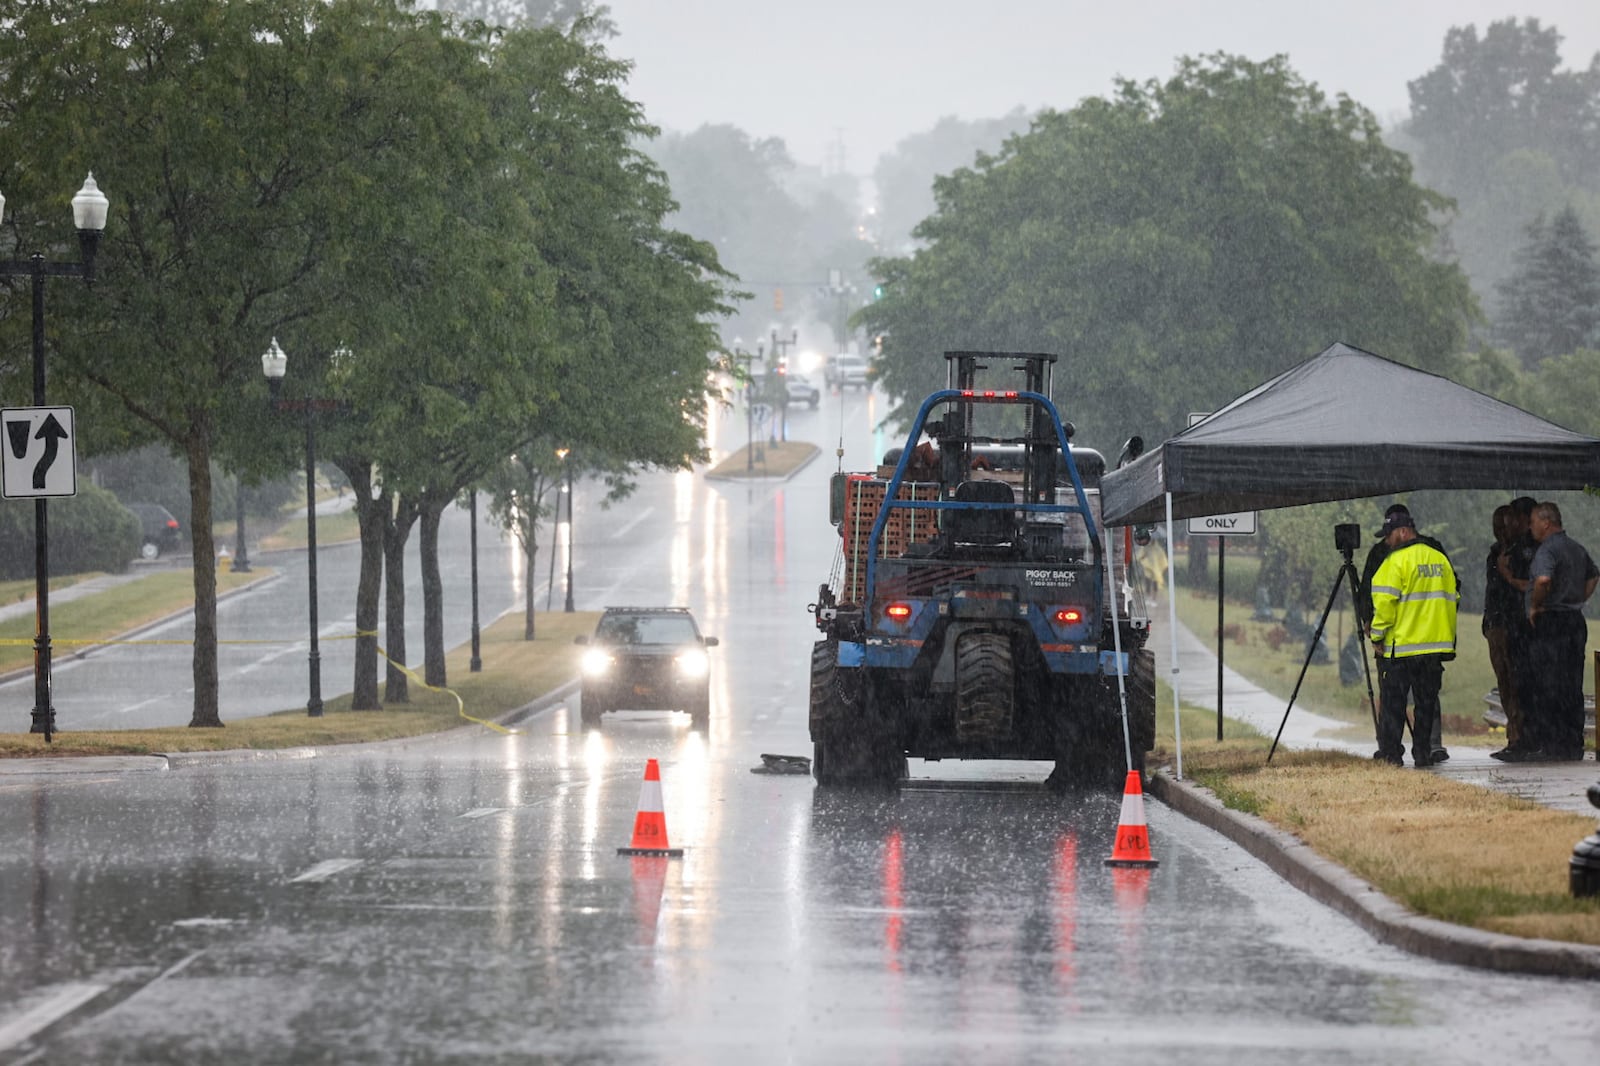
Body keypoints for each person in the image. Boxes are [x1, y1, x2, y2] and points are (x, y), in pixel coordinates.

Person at [1357, 503, 1452, 762]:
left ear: (1400, 532)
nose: (1387, 542)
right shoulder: (1439, 558)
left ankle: (1391, 754)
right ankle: (1423, 752)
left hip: (1402, 646)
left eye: (1388, 536)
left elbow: (1384, 606)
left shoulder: (1395, 561)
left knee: (1393, 704)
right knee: (1426, 704)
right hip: (1432, 648)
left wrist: (1376, 637)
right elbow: (1453, 596)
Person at [1524, 502, 1598, 762]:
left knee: (1547, 684)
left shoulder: (1547, 550)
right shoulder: (1576, 548)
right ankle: (1572, 742)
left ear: (1546, 522)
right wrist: (1578, 599)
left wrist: (1536, 605)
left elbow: (1543, 579)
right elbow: (1593, 576)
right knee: (1572, 683)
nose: (1530, 527)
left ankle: (1552, 744)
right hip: (1574, 621)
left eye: (1533, 521)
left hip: (1551, 621)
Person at [1495, 496, 1541, 760]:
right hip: (1510, 622)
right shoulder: (1504, 549)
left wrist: (1508, 576)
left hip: (1520, 624)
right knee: (1512, 683)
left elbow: (1530, 584)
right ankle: (1520, 737)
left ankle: (1526, 739)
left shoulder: (1527, 549)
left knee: (1521, 684)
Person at [1483, 505, 1526, 760]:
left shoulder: (1519, 553)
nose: (1500, 530)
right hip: (1496, 622)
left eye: (1505, 524)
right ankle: (1514, 732)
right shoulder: (1494, 553)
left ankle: (1519, 735)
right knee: (1504, 682)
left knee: (1515, 681)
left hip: (1513, 624)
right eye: (1497, 525)